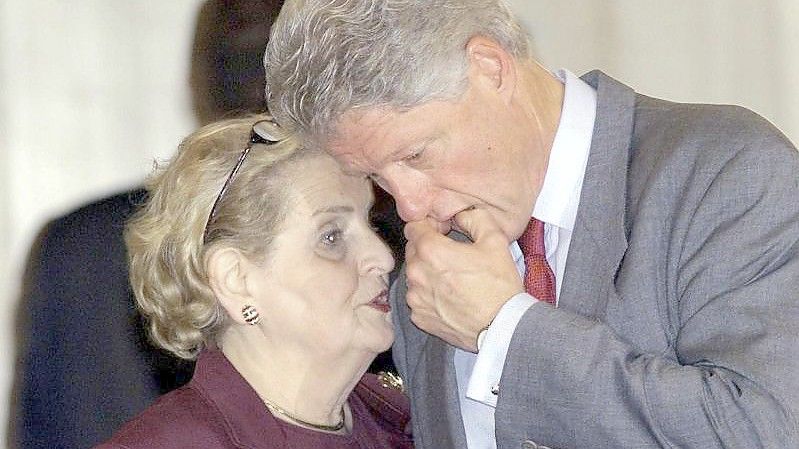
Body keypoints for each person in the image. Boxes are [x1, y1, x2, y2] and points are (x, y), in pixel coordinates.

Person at [262, 1, 799, 448]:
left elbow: (765, 432)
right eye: (375, 176)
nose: (408, 206)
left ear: (490, 68)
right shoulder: (429, 272)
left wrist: (505, 332)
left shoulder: (726, 170)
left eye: (417, 155)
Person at [94, 114, 412, 448]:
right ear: (236, 280)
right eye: (331, 237)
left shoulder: (401, 423)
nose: (383, 257)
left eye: (371, 224)